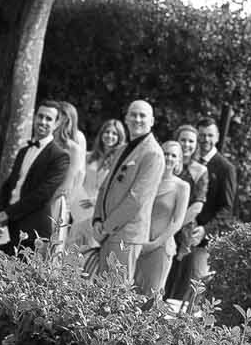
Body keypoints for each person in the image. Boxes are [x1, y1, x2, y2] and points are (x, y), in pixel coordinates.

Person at [85, 100, 163, 280]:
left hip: (126, 236)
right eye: (133, 114)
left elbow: (136, 199)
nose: (137, 119)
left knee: (115, 294)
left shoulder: (153, 154)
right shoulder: (121, 149)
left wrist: (105, 228)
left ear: (151, 121)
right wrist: (97, 220)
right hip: (107, 231)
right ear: (126, 118)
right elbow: (104, 188)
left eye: (142, 115)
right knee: (100, 294)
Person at [0, 100, 71, 252]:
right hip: (7, 228)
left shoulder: (60, 157)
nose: (43, 121)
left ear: (57, 124)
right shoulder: (23, 151)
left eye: (49, 119)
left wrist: (7, 214)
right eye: (40, 116)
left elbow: (43, 194)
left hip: (33, 232)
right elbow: (9, 186)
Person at [185, 117, 238, 293]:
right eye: (201, 135)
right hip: (178, 234)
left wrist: (205, 230)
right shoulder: (186, 161)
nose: (205, 139)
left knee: (196, 290)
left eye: (209, 135)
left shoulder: (225, 168)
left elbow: (226, 209)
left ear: (216, 137)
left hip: (203, 242)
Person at [134, 138, 191, 300]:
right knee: (129, 293)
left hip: (160, 247)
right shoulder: (147, 179)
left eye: (173, 155)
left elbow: (177, 222)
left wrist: (154, 244)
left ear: (179, 160)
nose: (169, 158)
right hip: (137, 241)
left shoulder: (182, 186)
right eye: (166, 153)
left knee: (151, 298)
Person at [163, 122, 208, 305]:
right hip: (159, 226)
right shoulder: (167, 163)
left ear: (196, 144)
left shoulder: (200, 171)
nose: (186, 144)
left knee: (175, 285)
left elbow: (197, 206)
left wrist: (173, 226)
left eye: (191, 141)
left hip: (183, 233)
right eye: (183, 140)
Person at [69, 116, 126, 253]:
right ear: (101, 134)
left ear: (120, 138)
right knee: (72, 247)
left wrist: (95, 201)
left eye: (114, 134)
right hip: (78, 207)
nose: (110, 136)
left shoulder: (120, 163)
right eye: (107, 132)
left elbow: (117, 189)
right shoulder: (88, 156)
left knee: (89, 251)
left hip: (98, 212)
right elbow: (77, 179)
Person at [51, 101, 87, 248]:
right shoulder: (49, 138)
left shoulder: (76, 143)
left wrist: (67, 201)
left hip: (58, 197)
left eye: (62, 116)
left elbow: (78, 174)